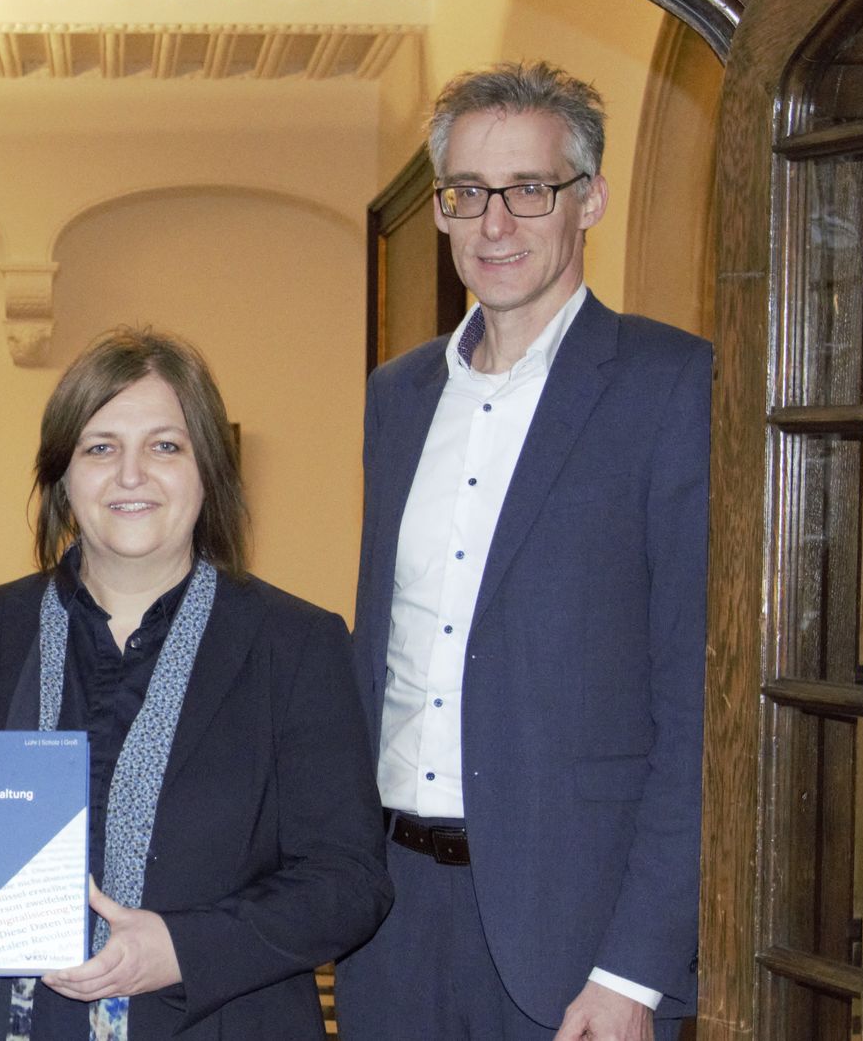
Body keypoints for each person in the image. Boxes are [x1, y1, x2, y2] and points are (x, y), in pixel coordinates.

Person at [0, 328, 391, 1040]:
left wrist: (181, 947)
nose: (131, 474)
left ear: (209, 468)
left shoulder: (295, 645)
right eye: (101, 446)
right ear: (62, 476)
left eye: (165, 446)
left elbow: (349, 880)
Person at [336, 60, 709, 1041]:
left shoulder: (670, 386)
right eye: (466, 193)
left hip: (576, 942)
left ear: (588, 198)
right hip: (391, 922)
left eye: (526, 190)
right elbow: (384, 648)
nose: (492, 224)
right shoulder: (397, 395)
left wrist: (636, 966)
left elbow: (699, 708)